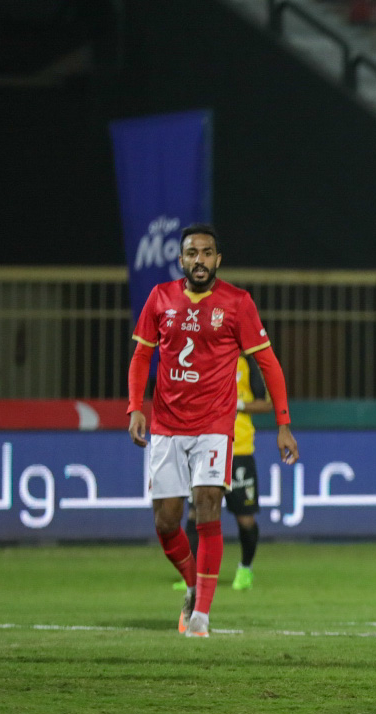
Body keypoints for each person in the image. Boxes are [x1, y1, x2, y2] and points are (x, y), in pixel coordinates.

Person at [127, 224, 297, 638]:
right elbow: (140, 357)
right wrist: (135, 408)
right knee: (166, 522)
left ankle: (201, 615)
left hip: (214, 426)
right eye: (191, 253)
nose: (199, 260)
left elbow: (269, 364)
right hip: (167, 425)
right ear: (181, 259)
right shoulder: (160, 298)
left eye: (207, 253)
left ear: (218, 260)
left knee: (207, 506)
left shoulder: (237, 303)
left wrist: (283, 423)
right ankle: (191, 585)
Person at [174, 354, 271, 593]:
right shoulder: (201, 360)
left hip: (239, 449)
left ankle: (245, 568)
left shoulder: (247, 364)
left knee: (245, 518)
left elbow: (267, 403)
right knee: (195, 512)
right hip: (205, 447)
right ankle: (191, 576)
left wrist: (238, 405)